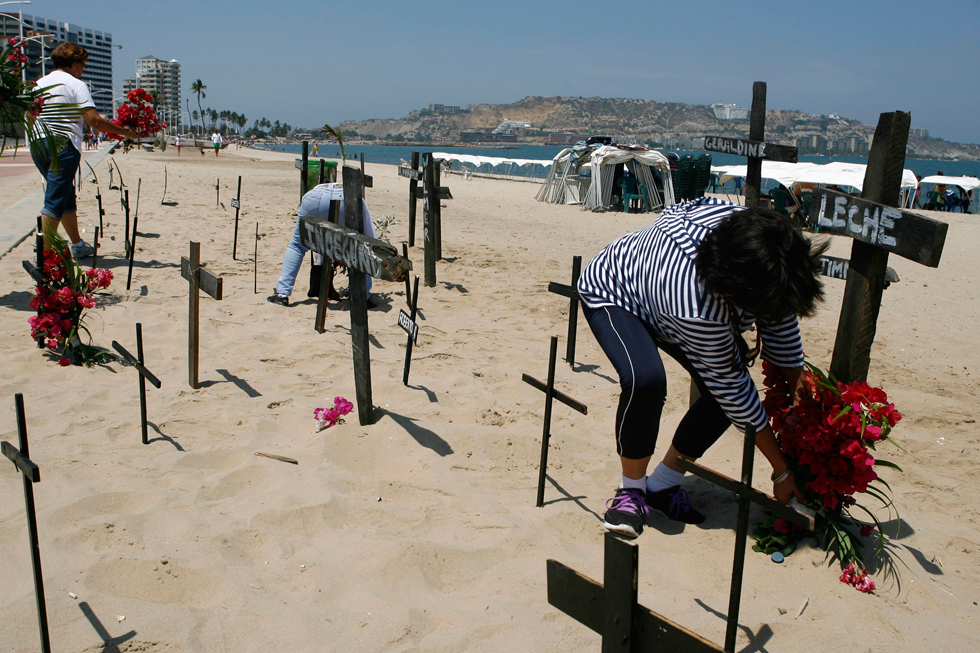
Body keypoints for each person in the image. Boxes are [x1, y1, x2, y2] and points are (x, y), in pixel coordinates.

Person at [577, 197, 825, 538]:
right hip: (618, 292)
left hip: (667, 291)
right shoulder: (697, 307)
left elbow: (779, 311)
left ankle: (663, 485)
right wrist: (781, 470)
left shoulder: (762, 238)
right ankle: (631, 491)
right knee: (646, 380)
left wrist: (800, 388)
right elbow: (732, 388)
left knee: (720, 398)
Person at [31, 43, 138, 258]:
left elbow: (32, 115)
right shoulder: (75, 84)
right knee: (54, 201)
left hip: (38, 143)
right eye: (83, 64)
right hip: (63, 145)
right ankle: (42, 256)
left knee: (65, 196)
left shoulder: (38, 84)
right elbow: (94, 121)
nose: (83, 69)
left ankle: (78, 246)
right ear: (73, 63)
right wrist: (125, 132)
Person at [267, 183, 376, 307]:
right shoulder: (359, 199)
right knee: (361, 246)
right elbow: (370, 240)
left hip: (314, 197)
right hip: (347, 199)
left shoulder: (319, 187)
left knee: (297, 246)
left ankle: (282, 294)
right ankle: (363, 297)